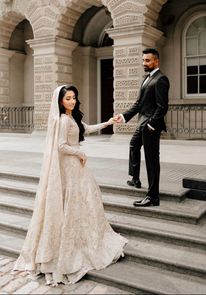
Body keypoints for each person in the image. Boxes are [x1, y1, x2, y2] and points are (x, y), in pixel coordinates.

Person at [13, 85, 128, 286]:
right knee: (74, 199)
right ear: (60, 101)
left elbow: (87, 128)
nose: (72, 101)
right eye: (68, 98)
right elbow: (61, 146)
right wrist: (80, 153)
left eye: (74, 97)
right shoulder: (63, 120)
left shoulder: (72, 117)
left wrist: (109, 122)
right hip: (70, 166)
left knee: (83, 200)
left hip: (76, 166)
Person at [115, 48, 169, 207]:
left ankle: (153, 197)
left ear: (156, 61)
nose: (144, 63)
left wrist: (152, 125)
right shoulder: (146, 78)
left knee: (152, 160)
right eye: (143, 60)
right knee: (133, 144)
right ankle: (135, 178)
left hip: (150, 126)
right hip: (142, 123)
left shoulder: (161, 79)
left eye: (147, 60)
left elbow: (162, 107)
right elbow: (139, 104)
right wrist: (124, 116)